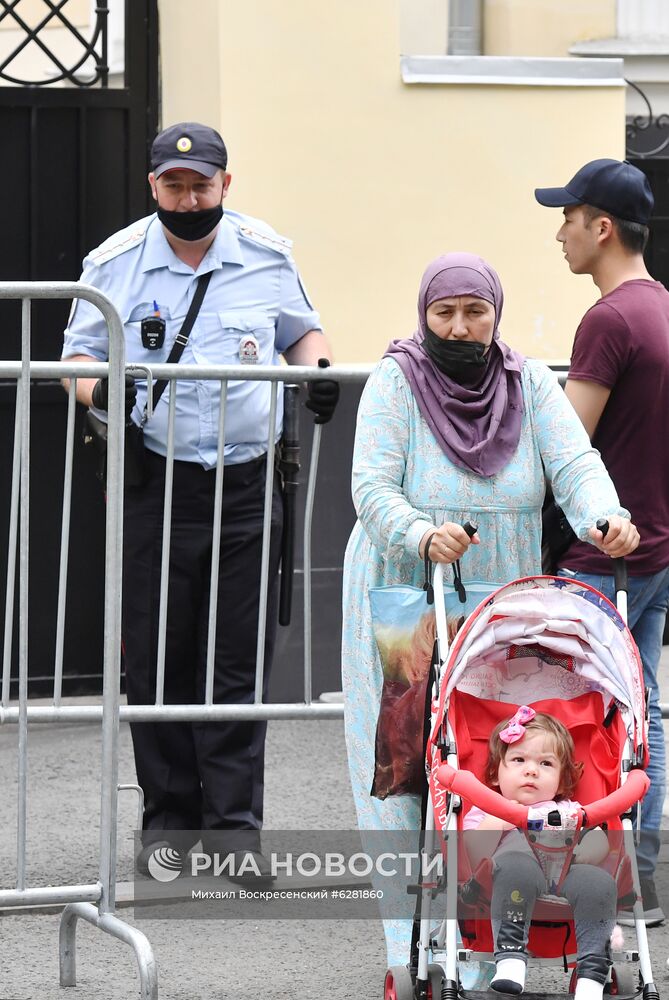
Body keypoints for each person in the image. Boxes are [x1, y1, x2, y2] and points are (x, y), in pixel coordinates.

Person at [340, 252, 639, 967]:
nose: (459, 326)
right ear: (423, 314)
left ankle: (479, 937)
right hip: (407, 591)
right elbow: (370, 483)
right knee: (402, 763)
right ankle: (404, 945)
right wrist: (419, 532)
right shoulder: (396, 380)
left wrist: (604, 516)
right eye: (444, 312)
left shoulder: (526, 381)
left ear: (495, 314)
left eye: (475, 312)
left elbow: (573, 462)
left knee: (490, 756)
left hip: (501, 596)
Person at [61, 121, 338, 878]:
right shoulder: (115, 263)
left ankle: (235, 834)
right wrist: (100, 395)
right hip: (159, 480)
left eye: (202, 184)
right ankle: (169, 830)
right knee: (158, 657)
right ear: (152, 187)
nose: (189, 197)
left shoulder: (264, 253)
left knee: (236, 661)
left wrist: (316, 370)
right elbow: (77, 355)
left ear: (226, 184)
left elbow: (300, 330)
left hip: (246, 483)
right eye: (174, 185)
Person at [535, 158, 669, 926]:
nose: (559, 232)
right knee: (640, 714)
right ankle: (636, 880)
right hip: (652, 550)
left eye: (568, 217)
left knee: (581, 715)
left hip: (599, 556)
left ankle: (590, 885)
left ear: (601, 227)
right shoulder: (660, 307)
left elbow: (565, 447)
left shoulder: (609, 319)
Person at [464, 708, 616, 1000]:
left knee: (600, 883)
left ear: (561, 781)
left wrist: (589, 850)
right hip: (514, 880)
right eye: (519, 760)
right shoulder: (487, 810)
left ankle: (591, 977)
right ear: (496, 773)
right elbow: (474, 855)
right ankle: (510, 959)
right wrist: (502, 817)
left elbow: (598, 838)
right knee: (514, 865)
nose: (532, 770)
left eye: (546, 763)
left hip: (566, 873)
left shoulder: (565, 810)